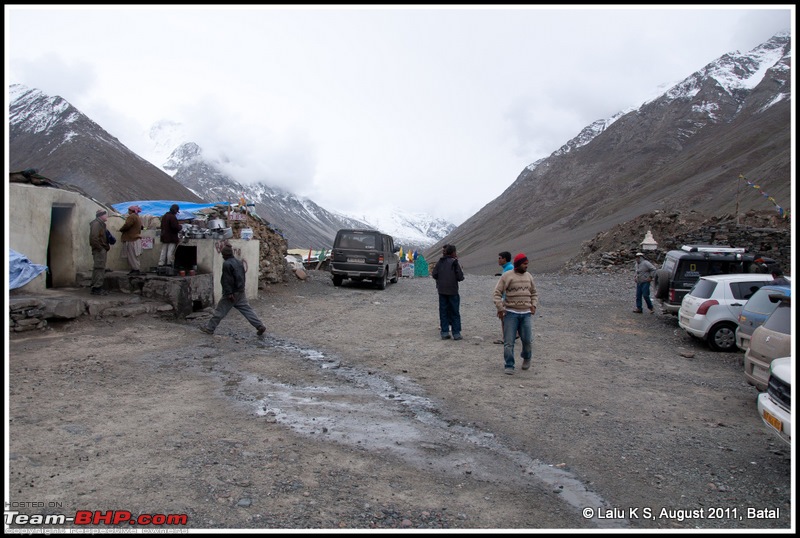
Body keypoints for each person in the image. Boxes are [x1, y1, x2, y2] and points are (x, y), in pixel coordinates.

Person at [200, 244, 267, 336]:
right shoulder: (239, 262)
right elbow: (242, 277)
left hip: (231, 293)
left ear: (225, 255)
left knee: (220, 311)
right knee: (247, 310)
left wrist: (229, 293)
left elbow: (226, 280)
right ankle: (259, 325)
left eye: (223, 255)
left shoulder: (227, 264)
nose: (222, 256)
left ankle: (209, 328)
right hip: (240, 291)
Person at [493, 253, 538, 375]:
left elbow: (534, 293)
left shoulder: (529, 276)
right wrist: (500, 308)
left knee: (527, 339)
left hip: (526, 313)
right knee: (509, 341)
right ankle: (509, 364)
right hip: (511, 313)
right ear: (518, 264)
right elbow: (497, 293)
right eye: (525, 264)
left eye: (527, 264)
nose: (527, 266)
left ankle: (526, 356)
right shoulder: (507, 276)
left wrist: (533, 305)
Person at [431, 244, 465, 340]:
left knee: (443, 311)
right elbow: (460, 277)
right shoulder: (455, 263)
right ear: (453, 252)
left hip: (442, 290)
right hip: (453, 291)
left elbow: (434, 274)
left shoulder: (440, 262)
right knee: (454, 311)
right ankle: (456, 333)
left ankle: (445, 332)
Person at [493, 251, 514, 344]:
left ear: (505, 259)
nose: (498, 260)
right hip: (508, 297)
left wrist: (503, 299)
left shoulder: (509, 269)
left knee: (504, 316)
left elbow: (507, 285)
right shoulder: (508, 268)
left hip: (507, 297)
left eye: (500, 258)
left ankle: (506, 338)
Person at [88, 209, 111, 295]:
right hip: (99, 249)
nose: (107, 216)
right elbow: (94, 237)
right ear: (101, 215)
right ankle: (97, 287)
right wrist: (100, 248)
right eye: (105, 215)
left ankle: (95, 286)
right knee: (99, 268)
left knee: (98, 267)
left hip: (101, 248)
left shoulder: (100, 224)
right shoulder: (97, 224)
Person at [119, 205, 143, 275]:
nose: (128, 211)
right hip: (135, 238)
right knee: (135, 255)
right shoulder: (137, 217)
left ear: (131, 211)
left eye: (129, 210)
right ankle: (135, 268)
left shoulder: (132, 217)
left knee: (132, 255)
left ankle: (135, 269)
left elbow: (127, 225)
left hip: (131, 238)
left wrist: (121, 229)